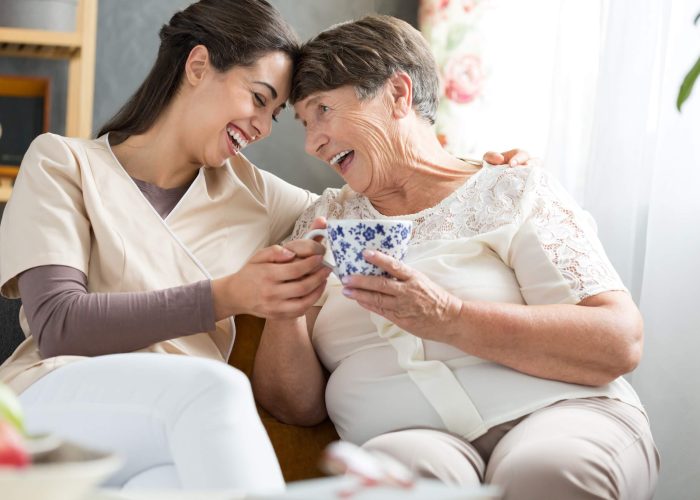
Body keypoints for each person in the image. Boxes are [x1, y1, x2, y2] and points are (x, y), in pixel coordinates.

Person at [0, 0, 523, 492]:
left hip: (171, 436)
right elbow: (60, 326)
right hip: (54, 400)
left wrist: (476, 176)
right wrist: (227, 296)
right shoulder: (63, 163)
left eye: (274, 116)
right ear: (199, 65)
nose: (261, 128)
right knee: (218, 388)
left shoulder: (259, 197)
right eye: (258, 98)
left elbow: (377, 199)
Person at [252, 14, 660, 500]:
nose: (312, 142)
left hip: (560, 412)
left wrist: (449, 317)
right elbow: (295, 407)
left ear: (398, 94)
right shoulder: (320, 222)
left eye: (323, 110)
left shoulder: (512, 189)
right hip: (410, 439)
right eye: (304, 121)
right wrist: (286, 312)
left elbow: (617, 343)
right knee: (397, 482)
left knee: (546, 471)